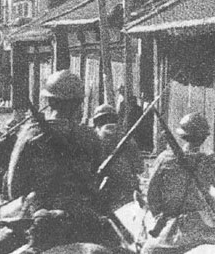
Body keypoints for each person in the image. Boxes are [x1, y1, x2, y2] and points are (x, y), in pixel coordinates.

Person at [0, 70, 106, 254]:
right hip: (82, 214)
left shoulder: (31, 133)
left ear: (49, 101)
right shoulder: (90, 136)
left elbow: (13, 186)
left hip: (39, 213)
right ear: (79, 103)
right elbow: (99, 175)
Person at [142, 112, 215, 254]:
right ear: (204, 137)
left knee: (147, 250)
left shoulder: (165, 158)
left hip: (176, 228)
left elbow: (151, 194)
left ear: (182, 135)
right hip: (204, 224)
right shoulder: (208, 162)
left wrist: (159, 217)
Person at [92, 104, 143, 211]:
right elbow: (139, 167)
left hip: (102, 191)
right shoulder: (127, 138)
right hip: (127, 192)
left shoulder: (92, 138)